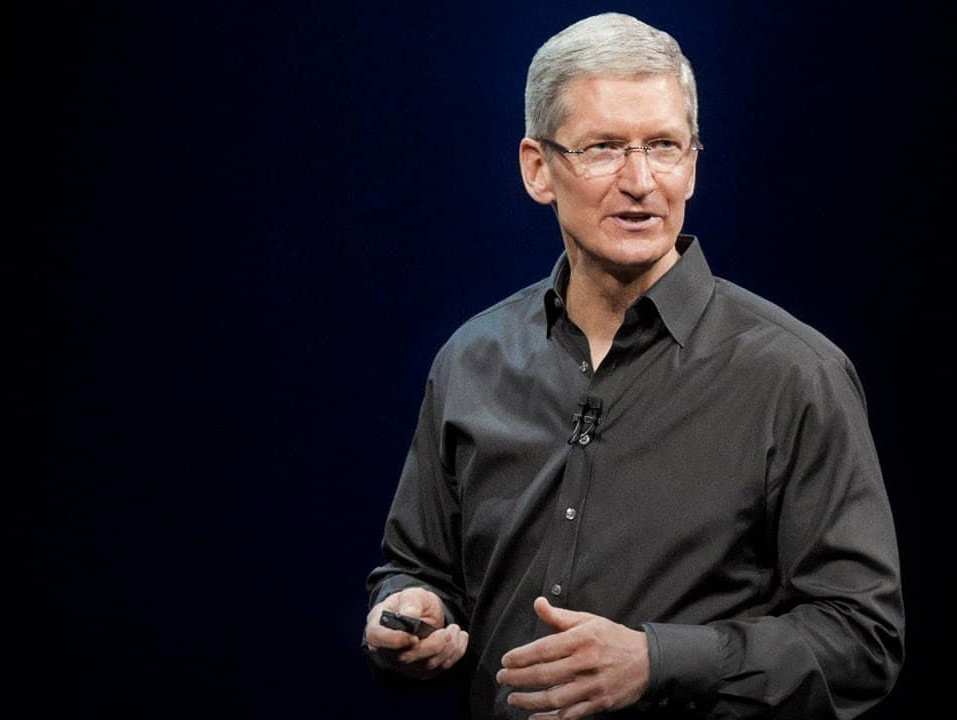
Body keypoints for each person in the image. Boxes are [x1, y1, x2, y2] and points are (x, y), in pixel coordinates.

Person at [362, 12, 903, 719]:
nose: (641, 180)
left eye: (664, 146)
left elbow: (862, 639)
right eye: (605, 147)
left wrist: (658, 661)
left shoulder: (796, 374)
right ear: (537, 168)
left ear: (694, 164)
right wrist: (412, 611)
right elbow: (419, 567)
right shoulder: (473, 359)